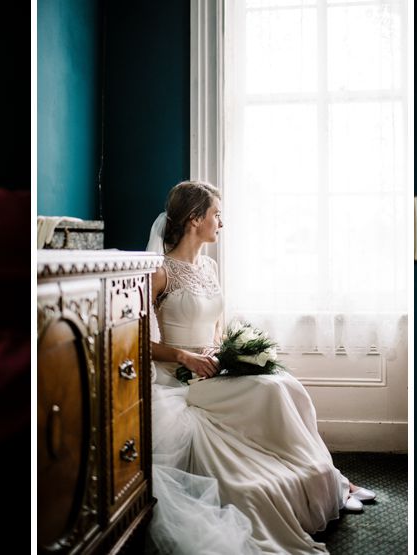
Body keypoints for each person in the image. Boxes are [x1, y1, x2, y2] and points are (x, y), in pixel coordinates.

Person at [144, 181, 374, 554]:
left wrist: (226, 354)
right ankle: (326, 481)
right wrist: (186, 358)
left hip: (212, 367)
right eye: (216, 215)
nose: (221, 222)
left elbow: (216, 328)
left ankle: (327, 478)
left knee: (281, 382)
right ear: (194, 219)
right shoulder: (159, 272)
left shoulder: (211, 267)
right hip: (178, 377)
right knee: (270, 390)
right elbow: (139, 342)